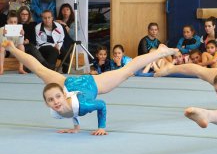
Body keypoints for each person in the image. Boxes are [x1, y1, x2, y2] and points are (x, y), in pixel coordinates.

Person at [3, 40, 178, 135]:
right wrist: (76, 127)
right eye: (51, 100)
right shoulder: (55, 110)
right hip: (67, 84)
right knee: (39, 70)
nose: (55, 102)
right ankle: (12, 47)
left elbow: (100, 105)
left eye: (56, 97)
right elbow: (70, 110)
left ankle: (160, 52)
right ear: (46, 104)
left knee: (127, 70)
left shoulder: (81, 105)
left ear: (63, 96)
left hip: (93, 84)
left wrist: (101, 127)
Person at [17, 6, 52, 70]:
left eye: (26, 14)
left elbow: (34, 40)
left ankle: (39, 67)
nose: (24, 16)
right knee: (31, 47)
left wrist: (28, 41)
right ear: (19, 14)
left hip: (29, 46)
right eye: (22, 14)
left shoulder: (32, 25)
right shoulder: (16, 24)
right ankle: (46, 66)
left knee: (31, 46)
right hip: (18, 46)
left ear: (29, 15)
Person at [0, 10, 28, 74]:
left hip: (13, 51)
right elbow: (3, 43)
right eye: (11, 22)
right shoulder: (2, 29)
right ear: (7, 22)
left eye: (15, 22)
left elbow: (20, 43)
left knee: (21, 46)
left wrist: (22, 35)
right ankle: (1, 68)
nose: (13, 24)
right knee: (2, 47)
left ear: (17, 22)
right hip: (4, 51)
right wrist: (4, 35)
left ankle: (21, 68)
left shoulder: (19, 29)